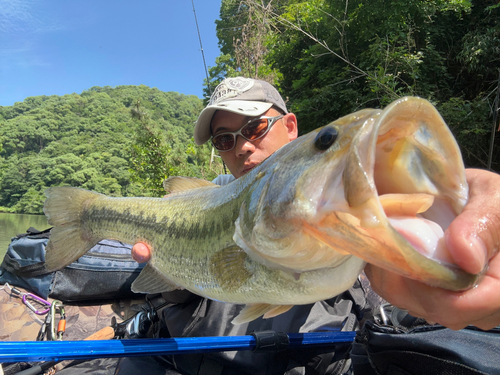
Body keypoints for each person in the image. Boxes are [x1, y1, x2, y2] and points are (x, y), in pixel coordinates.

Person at [127, 77, 500, 373]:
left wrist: (452, 208)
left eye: (255, 128)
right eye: (225, 139)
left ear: (291, 126)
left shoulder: (338, 197)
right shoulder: (199, 204)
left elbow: (409, 213)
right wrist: (169, 277)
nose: (241, 147)